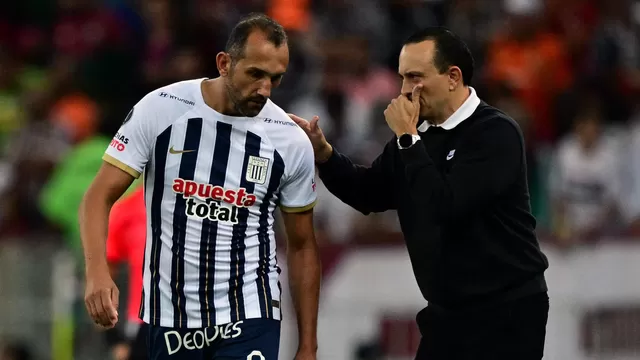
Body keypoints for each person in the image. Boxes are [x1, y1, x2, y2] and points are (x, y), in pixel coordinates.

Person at [290, 27, 550, 360]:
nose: (403, 91)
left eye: (414, 77)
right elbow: (368, 193)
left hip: (507, 310)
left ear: (453, 77)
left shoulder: (494, 132)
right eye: (401, 78)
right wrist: (325, 153)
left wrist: (409, 140)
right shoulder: (414, 138)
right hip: (447, 313)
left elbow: (445, 206)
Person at [79, 13, 320, 360]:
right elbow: (97, 196)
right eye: (255, 74)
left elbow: (302, 246)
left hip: (250, 313)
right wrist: (97, 273)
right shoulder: (161, 109)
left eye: (275, 78)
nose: (264, 89)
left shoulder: (289, 141)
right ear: (224, 63)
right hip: (170, 317)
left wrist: (308, 345)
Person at [104, 184, 148, 360]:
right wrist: (113, 339)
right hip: (143, 325)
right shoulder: (127, 209)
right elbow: (103, 279)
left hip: (205, 321)